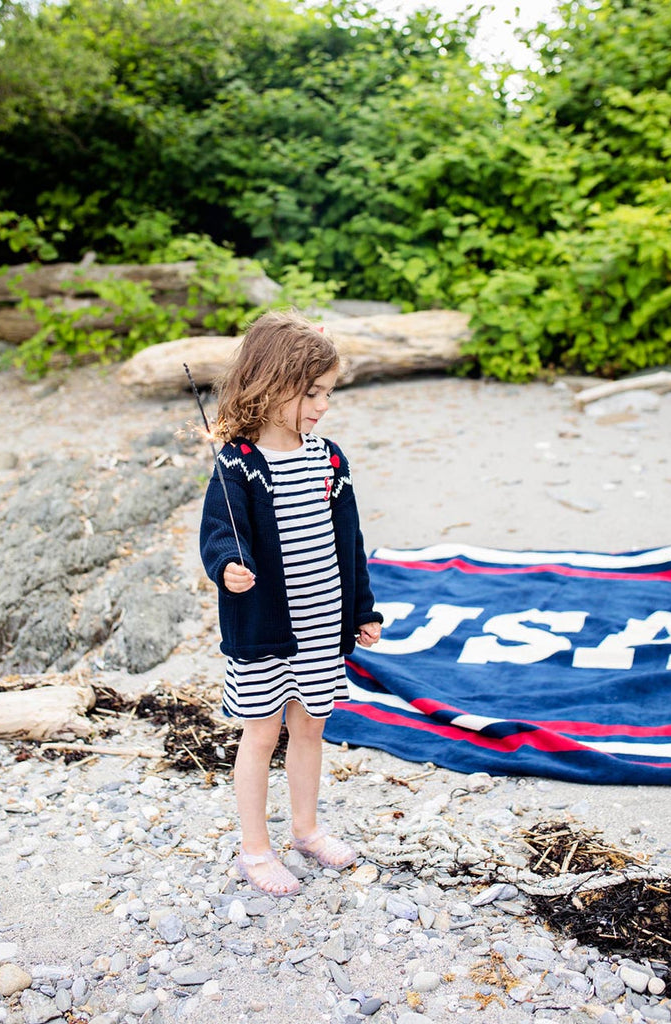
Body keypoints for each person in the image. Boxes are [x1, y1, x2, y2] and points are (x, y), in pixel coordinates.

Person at [199, 309, 383, 897]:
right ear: (271, 384)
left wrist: (363, 609)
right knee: (261, 734)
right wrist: (228, 566)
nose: (322, 405)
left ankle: (306, 828)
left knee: (311, 727)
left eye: (327, 393)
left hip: (322, 625)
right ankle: (255, 850)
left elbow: (348, 541)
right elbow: (219, 533)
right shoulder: (238, 463)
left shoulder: (329, 459)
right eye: (311, 393)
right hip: (262, 632)